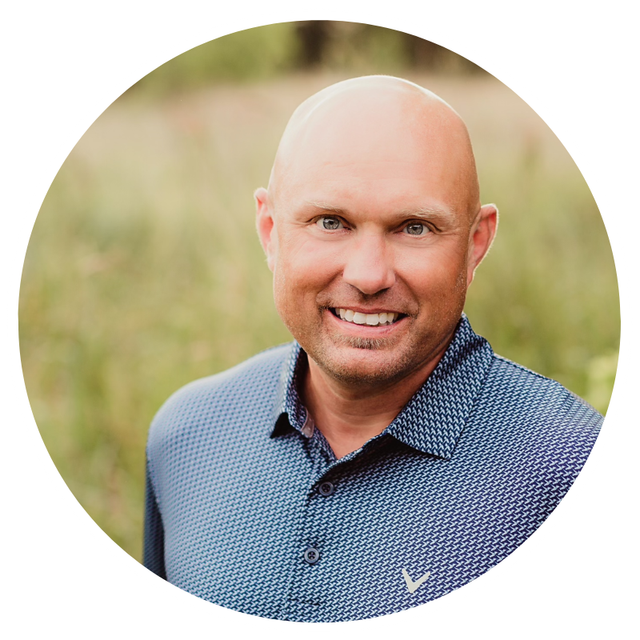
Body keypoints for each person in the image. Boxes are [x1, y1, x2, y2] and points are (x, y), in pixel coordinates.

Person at [143, 76, 602, 623]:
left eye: (414, 228)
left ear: (475, 243)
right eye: (330, 222)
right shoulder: (186, 435)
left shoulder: (570, 465)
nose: (367, 275)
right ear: (270, 231)